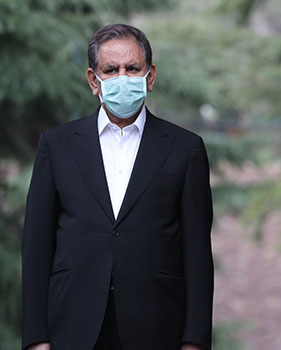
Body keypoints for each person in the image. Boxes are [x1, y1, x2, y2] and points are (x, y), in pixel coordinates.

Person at [22, 24, 214, 350]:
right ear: (93, 80)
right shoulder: (57, 146)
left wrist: (194, 340)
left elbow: (197, 255)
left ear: (150, 76)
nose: (122, 78)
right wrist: (36, 339)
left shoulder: (185, 149)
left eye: (132, 68)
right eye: (110, 70)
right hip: (73, 325)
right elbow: (37, 247)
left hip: (157, 326)